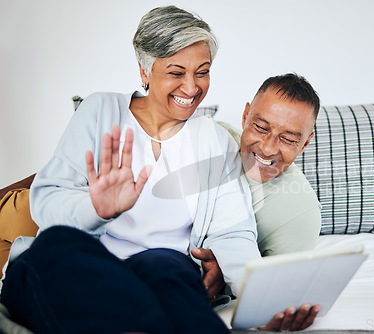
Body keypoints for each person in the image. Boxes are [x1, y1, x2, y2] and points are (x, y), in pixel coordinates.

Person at [1, 6, 261, 334]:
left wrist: (258, 296)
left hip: (162, 267)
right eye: (177, 72)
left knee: (169, 266)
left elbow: (233, 232)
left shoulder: (215, 141)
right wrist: (95, 208)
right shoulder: (100, 111)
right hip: (84, 260)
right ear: (144, 71)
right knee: (54, 247)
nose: (192, 87)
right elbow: (47, 202)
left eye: (202, 71)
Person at [192, 73, 323, 331]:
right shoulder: (211, 139)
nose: (267, 147)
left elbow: (273, 296)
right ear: (245, 115)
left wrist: (223, 273)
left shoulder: (300, 212)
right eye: (261, 128)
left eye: (288, 138)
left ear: (306, 143)